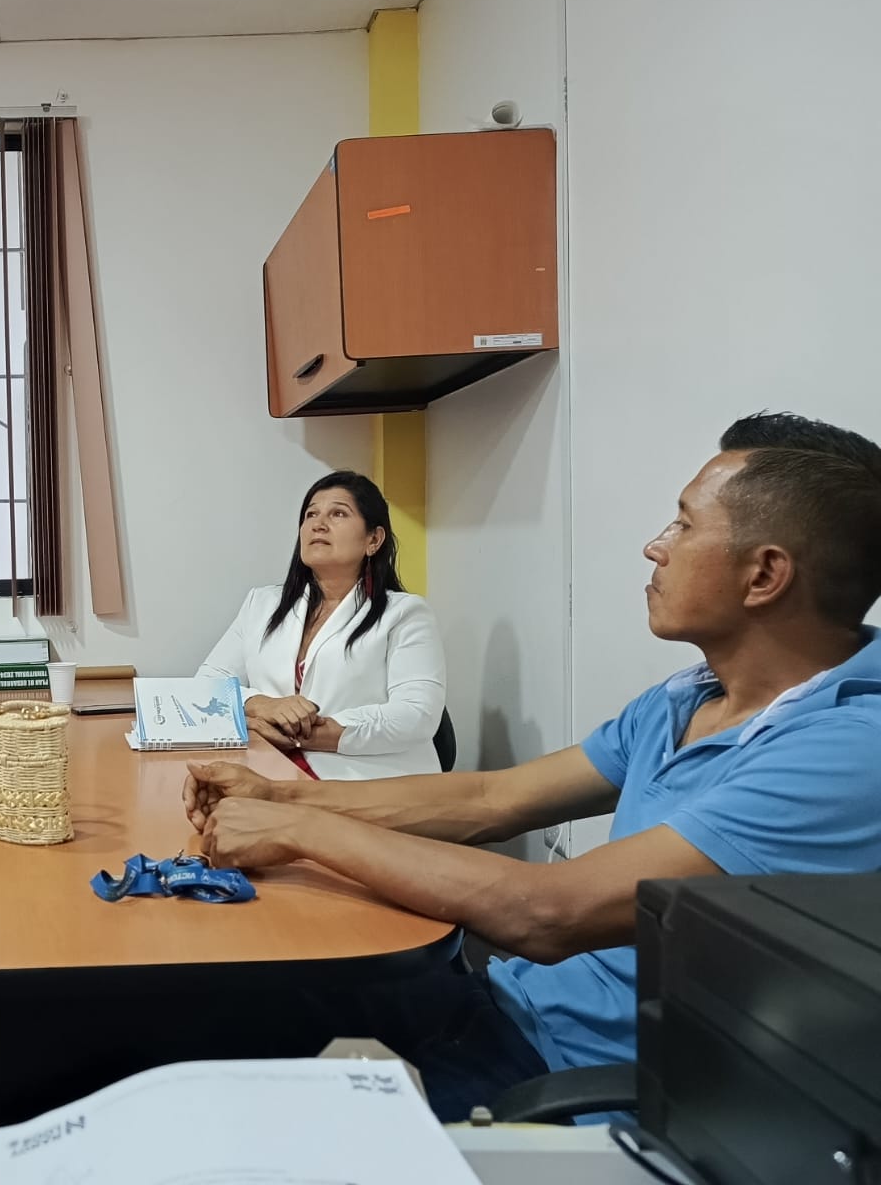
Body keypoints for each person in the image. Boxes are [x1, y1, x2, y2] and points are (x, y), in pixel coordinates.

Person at [182, 413, 881, 1121]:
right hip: (514, 1001)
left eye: (683, 525)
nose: (655, 546)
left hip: (590, 1076)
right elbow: (492, 799)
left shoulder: (846, 751)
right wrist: (277, 797)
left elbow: (549, 913)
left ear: (764, 574)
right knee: (205, 1016)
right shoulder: (687, 698)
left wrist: (300, 831)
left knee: (256, 1121)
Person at [196, 470, 446, 779]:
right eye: (310, 514)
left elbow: (417, 715)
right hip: (269, 771)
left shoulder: (405, 613)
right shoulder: (261, 604)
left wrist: (294, 733)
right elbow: (205, 686)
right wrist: (261, 705)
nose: (318, 524)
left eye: (338, 513)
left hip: (366, 781)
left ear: (373, 539)